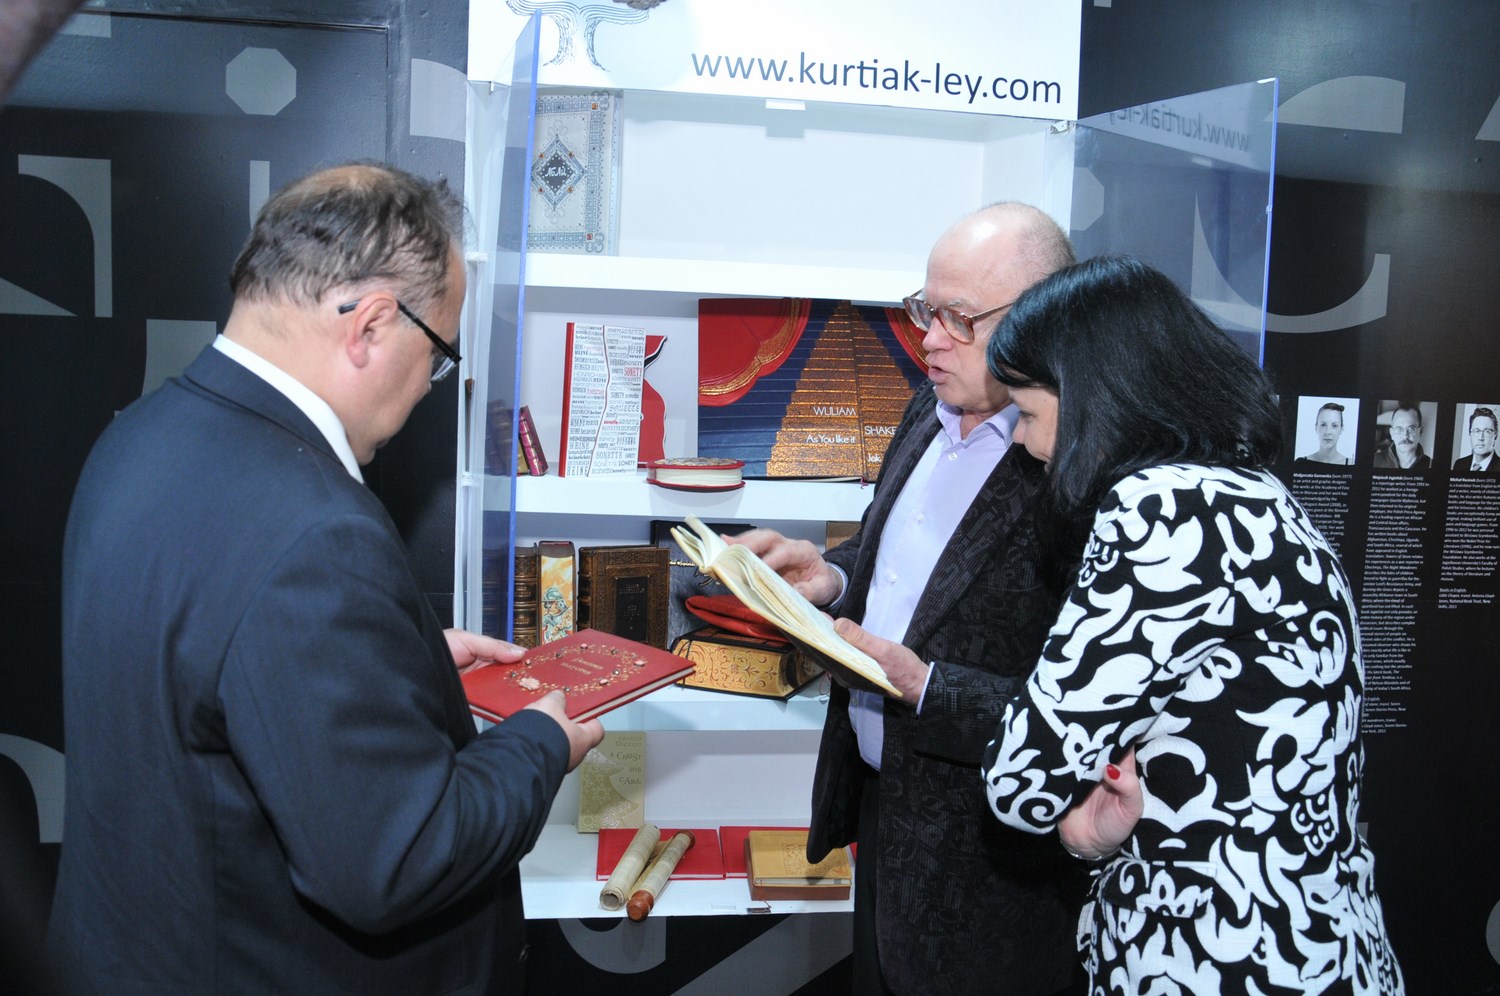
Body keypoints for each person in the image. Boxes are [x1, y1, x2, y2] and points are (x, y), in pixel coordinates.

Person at [47, 163, 605, 993]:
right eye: (438, 355)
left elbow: (214, 671)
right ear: (372, 325)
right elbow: (396, 860)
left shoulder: (138, 434)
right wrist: (539, 744)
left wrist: (401, 660)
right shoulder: (319, 533)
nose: (429, 388)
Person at [959, 254, 1402, 993]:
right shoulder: (1258, 493)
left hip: (1218, 955)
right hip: (1318, 944)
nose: (1021, 442)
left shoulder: (1164, 510)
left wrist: (1069, 815)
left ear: (1094, 398)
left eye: (1029, 413)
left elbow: (1022, 777)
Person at [732, 203, 1084, 995]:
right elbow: (895, 558)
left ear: (1043, 319)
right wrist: (832, 576)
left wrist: (924, 687)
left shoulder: (1071, 465)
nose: (928, 339)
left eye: (960, 318)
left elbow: (1080, 718)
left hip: (990, 869)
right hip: (882, 817)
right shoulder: (930, 406)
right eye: (927, 309)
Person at [1373, 401, 1430, 469]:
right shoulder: (1374, 461)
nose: (1405, 436)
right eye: (1399, 429)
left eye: (1411, 428)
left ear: (1420, 431)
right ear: (1392, 433)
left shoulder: (1431, 464)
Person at [1293, 400, 1351, 465]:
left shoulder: (1350, 464)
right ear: (1316, 427)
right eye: (1323, 425)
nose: (1328, 432)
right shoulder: (1301, 463)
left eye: (1334, 425)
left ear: (1341, 428)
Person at [1453, 406, 1499, 472]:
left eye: (1487, 431)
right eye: (1477, 431)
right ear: (1470, 434)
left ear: (1495, 435)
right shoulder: (1459, 464)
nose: (1481, 438)